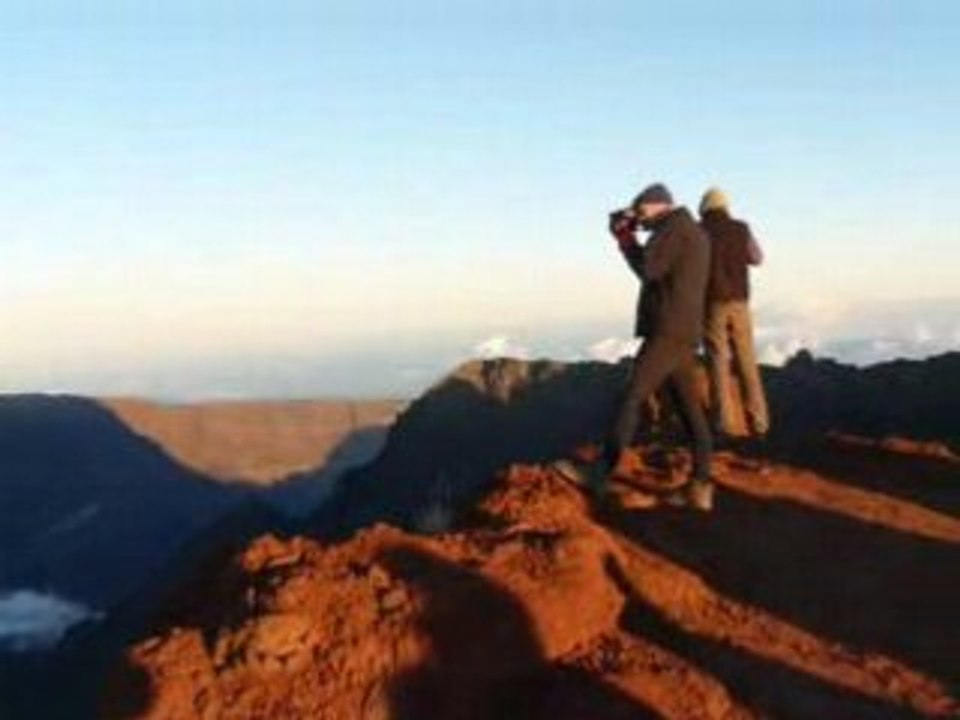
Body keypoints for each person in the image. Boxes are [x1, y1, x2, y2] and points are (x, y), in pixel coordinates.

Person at [606, 183, 714, 510]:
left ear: (658, 205)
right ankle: (701, 486)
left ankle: (599, 472)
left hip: (668, 330)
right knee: (689, 408)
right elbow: (656, 268)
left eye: (641, 211)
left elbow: (649, 269)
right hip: (682, 329)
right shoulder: (685, 229)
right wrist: (631, 231)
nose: (639, 218)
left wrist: (625, 239)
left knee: (632, 395)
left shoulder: (675, 229)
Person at [699, 187, 769, 441]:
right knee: (746, 358)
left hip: (712, 302)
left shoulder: (699, 231)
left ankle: (723, 424)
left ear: (704, 208)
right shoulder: (741, 228)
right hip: (740, 301)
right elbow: (757, 258)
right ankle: (759, 422)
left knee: (718, 360)